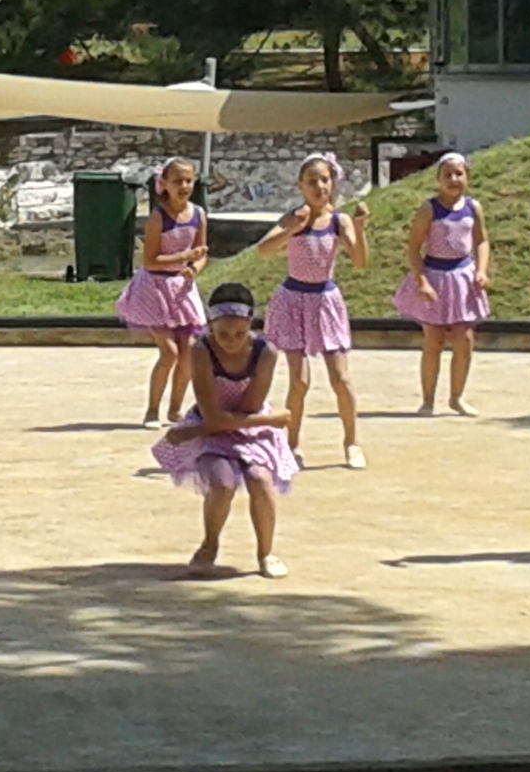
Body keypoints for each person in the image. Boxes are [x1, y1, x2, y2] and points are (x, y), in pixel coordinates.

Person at [149, 284, 297, 580]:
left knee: (260, 479)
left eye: (240, 334)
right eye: (223, 334)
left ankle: (266, 552)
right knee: (223, 483)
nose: (231, 341)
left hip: (249, 428)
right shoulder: (200, 350)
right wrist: (269, 419)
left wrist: (198, 429)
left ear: (251, 324)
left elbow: (250, 405)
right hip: (218, 431)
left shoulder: (265, 352)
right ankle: (209, 546)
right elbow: (213, 415)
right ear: (210, 326)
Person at [250, 152, 368, 469]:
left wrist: (359, 228)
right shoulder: (294, 218)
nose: (319, 187)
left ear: (333, 183)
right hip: (293, 301)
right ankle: (291, 444)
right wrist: (291, 228)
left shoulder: (339, 221)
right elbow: (263, 250)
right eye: (312, 181)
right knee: (299, 382)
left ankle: (352, 442)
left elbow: (360, 261)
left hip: (325, 301)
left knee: (341, 379)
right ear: (300, 185)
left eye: (324, 180)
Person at [386, 151, 489, 416]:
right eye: (447, 175)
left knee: (464, 340)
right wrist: (421, 281)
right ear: (438, 179)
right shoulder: (429, 209)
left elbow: (481, 240)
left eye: (459, 174)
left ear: (468, 176)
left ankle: (457, 397)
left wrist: (481, 270)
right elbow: (413, 248)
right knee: (433, 340)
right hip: (435, 278)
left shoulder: (473, 207)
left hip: (463, 279)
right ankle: (428, 399)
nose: (453, 179)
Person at [113, 157, 208, 426]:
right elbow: (150, 261)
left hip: (181, 289)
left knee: (189, 353)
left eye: (189, 180)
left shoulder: (199, 214)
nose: (184, 186)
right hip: (154, 289)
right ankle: (152, 410)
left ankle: (175, 410)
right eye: (178, 181)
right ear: (164, 184)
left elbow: (202, 252)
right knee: (169, 352)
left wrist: (195, 267)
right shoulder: (158, 217)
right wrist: (184, 256)